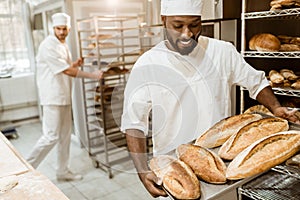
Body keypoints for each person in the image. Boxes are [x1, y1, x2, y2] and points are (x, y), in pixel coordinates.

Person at [121, 0, 300, 198]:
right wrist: (142, 170)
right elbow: (133, 122)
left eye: (195, 25)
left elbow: (256, 82)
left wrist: (275, 108)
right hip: (172, 170)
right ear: (164, 21)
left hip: (221, 166)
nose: (187, 34)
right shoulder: (148, 64)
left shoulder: (222, 51)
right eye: (178, 25)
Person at [26, 13, 103, 181]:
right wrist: (93, 75)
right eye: (58, 29)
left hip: (63, 96)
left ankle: (62, 172)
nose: (61, 32)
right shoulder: (48, 45)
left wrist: (74, 64)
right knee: (50, 136)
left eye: (64, 29)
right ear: (53, 28)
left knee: (65, 136)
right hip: (52, 97)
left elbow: (65, 67)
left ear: (69, 29)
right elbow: (66, 71)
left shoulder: (62, 44)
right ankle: (26, 168)